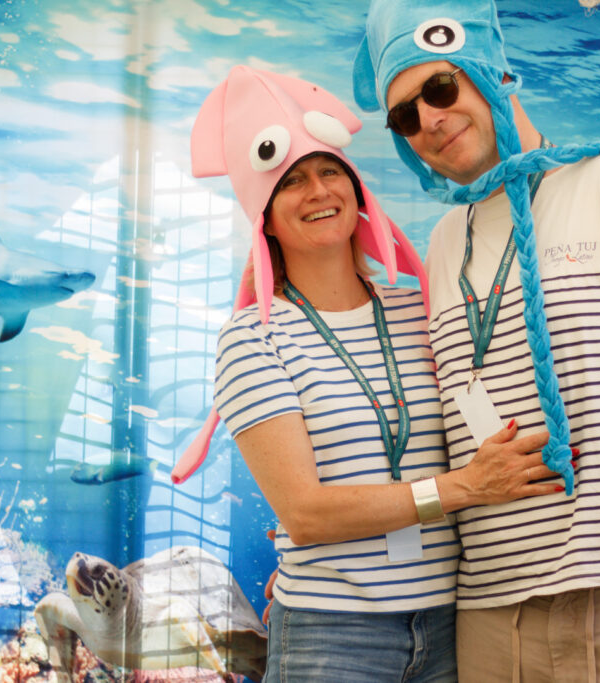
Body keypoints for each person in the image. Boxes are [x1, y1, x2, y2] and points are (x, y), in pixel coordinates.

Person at [352, 2, 600, 681]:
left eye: (441, 88)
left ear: (492, 71)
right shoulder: (445, 243)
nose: (429, 120)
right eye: (404, 116)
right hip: (493, 616)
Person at [190, 65, 563, 682]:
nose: (317, 191)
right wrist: (464, 487)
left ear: (357, 189)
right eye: (291, 182)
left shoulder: (422, 306)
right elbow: (306, 513)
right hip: (332, 638)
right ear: (265, 217)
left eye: (329, 171)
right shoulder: (253, 338)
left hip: (451, 627)